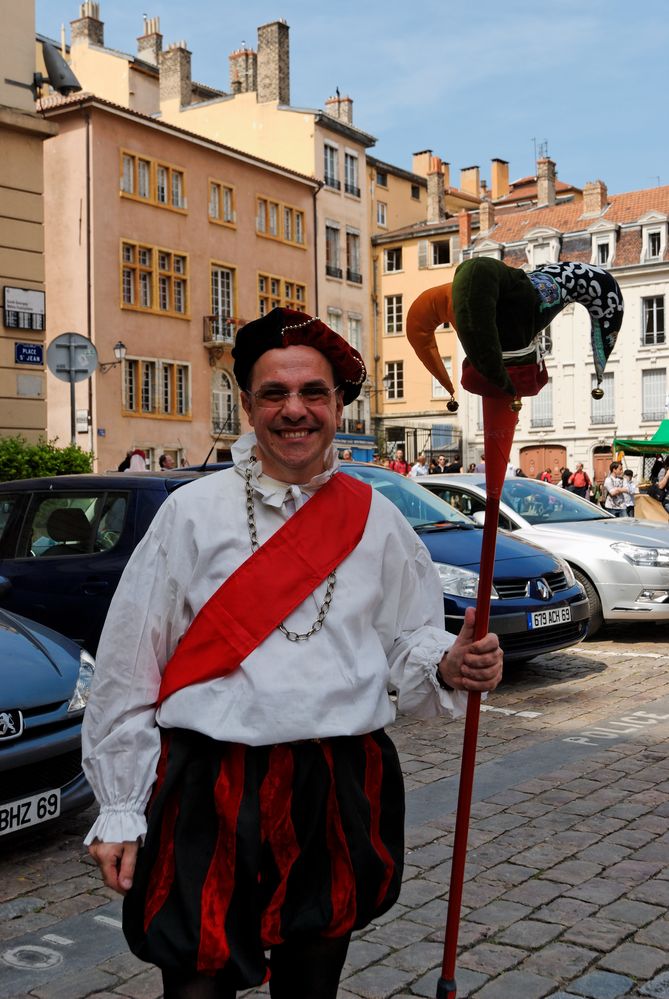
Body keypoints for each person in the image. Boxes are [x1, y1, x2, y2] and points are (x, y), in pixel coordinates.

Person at [82, 308, 502, 999]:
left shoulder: (377, 519)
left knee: (311, 984)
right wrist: (121, 806)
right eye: (274, 393)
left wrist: (446, 663)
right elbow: (129, 666)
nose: (295, 410)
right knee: (195, 985)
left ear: (338, 403)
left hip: (335, 780)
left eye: (313, 392)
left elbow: (409, 638)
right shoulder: (191, 512)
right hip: (207, 784)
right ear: (246, 404)